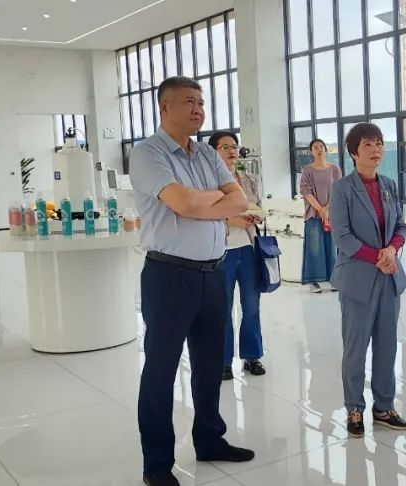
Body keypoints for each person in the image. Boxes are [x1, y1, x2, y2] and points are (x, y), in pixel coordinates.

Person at [130, 76, 255, 486]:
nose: (198, 109)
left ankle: (210, 439)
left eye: (201, 101)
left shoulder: (205, 153)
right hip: (169, 276)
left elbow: (240, 200)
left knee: (209, 365)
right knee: (161, 371)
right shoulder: (148, 154)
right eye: (189, 101)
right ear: (164, 107)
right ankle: (157, 464)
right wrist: (211, 201)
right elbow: (182, 203)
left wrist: (201, 203)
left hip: (213, 273)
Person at [329, 123, 406, 438]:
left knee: (387, 345)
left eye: (379, 143)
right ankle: (354, 408)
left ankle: (384, 408)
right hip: (358, 278)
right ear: (353, 152)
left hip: (389, 277)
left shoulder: (388, 184)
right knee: (356, 346)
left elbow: (400, 225)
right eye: (368, 145)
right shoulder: (342, 189)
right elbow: (342, 236)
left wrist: (391, 250)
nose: (376, 150)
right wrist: (379, 256)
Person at [207, 130, 267, 381]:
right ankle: (222, 361)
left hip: (249, 249)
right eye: (225, 147)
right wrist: (232, 221)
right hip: (222, 253)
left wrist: (256, 217)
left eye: (234, 146)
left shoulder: (249, 180)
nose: (232, 151)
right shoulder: (208, 183)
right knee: (223, 309)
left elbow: (259, 207)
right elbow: (204, 216)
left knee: (251, 306)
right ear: (213, 152)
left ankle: (252, 355)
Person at [299, 138, 342, 293]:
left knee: (333, 246)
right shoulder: (307, 170)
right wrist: (321, 209)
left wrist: (328, 209)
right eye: (315, 147)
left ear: (326, 149)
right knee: (314, 247)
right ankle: (313, 281)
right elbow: (306, 192)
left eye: (321, 146)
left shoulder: (335, 169)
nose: (319, 149)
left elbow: (339, 190)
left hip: (333, 214)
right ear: (311, 151)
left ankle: (334, 279)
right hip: (313, 215)